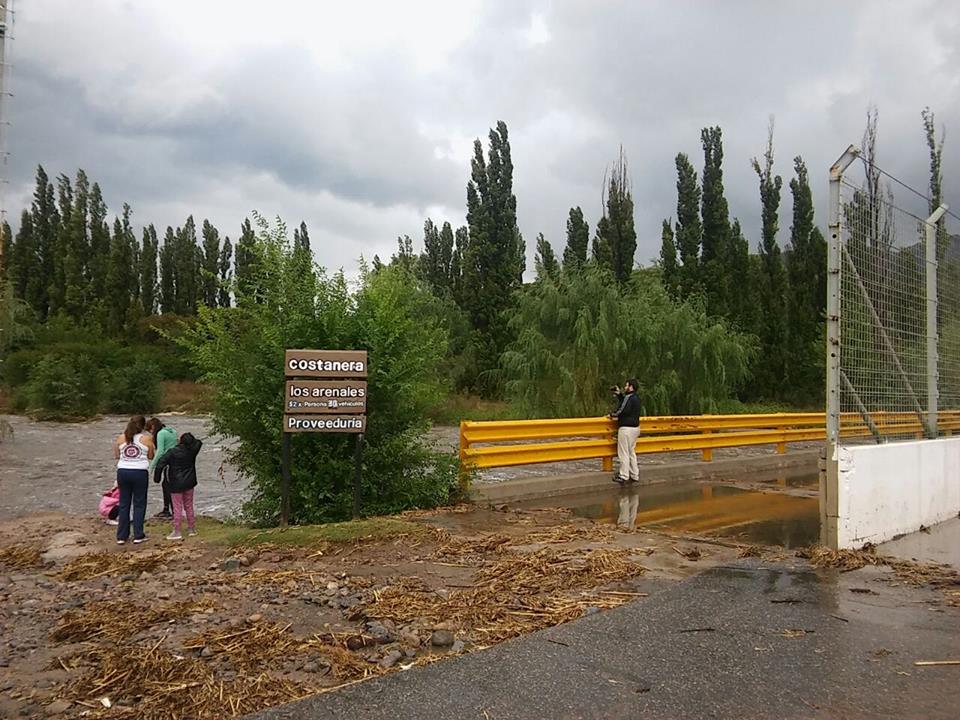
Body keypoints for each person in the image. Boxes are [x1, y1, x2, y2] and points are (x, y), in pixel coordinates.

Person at [113, 416, 155, 544]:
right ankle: (138, 534)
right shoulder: (147, 438)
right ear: (142, 426)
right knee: (139, 503)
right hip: (140, 472)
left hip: (123, 471)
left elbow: (116, 455)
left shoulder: (120, 438)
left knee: (124, 503)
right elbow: (151, 455)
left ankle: (121, 536)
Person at [153, 432, 203, 541]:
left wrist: (157, 478)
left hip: (175, 482)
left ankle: (177, 531)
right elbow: (199, 442)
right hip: (189, 481)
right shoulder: (193, 451)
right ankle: (191, 529)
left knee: (177, 507)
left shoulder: (172, 452)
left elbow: (160, 463)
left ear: (180, 441)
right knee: (189, 505)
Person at [608, 379, 641, 484]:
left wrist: (612, 415)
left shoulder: (629, 397)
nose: (625, 387)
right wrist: (619, 395)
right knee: (631, 452)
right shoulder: (636, 398)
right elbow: (626, 404)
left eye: (626, 386)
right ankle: (635, 475)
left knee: (623, 453)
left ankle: (624, 476)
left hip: (626, 428)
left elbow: (622, 410)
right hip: (635, 428)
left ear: (631, 387)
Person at [146, 417, 177, 518]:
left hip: (167, 463)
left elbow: (160, 451)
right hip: (175, 461)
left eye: (150, 430)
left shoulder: (160, 434)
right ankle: (171, 509)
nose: (150, 433)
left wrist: (151, 467)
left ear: (153, 427)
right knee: (169, 485)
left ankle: (168, 511)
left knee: (166, 486)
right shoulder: (172, 431)